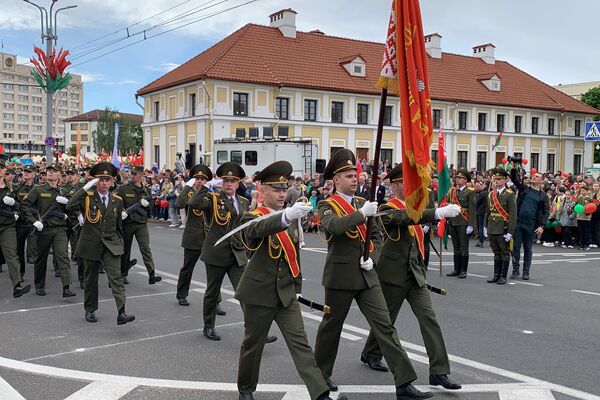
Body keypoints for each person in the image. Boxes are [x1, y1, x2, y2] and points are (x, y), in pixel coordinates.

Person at [313, 149, 433, 400]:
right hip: (340, 278)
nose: (354, 179)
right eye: (348, 175)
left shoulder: (361, 203)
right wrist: (361, 215)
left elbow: (377, 236)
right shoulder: (327, 204)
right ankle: (321, 374)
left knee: (385, 326)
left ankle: (404, 382)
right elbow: (333, 227)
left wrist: (373, 258)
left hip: (367, 276)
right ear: (335, 180)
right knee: (331, 327)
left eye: (355, 174)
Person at [236, 161, 340, 400]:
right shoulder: (252, 216)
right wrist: (284, 217)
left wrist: (297, 288)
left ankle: (320, 394)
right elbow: (253, 231)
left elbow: (294, 256)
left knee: (300, 344)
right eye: (276, 189)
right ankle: (246, 390)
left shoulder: (290, 216)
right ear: (263, 191)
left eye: (285, 189)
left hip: (285, 293)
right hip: (259, 293)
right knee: (253, 345)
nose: (282, 194)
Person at [360, 164, 461, 391]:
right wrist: (436, 214)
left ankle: (439, 371)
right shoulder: (387, 208)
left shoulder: (415, 206)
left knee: (429, 319)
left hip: (415, 275)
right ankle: (371, 352)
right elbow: (404, 219)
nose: (413, 186)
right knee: (386, 321)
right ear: (394, 185)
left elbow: (416, 219)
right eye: (407, 182)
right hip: (393, 275)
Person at [189, 162, 276, 342]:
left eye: (233, 181)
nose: (229, 184)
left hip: (237, 253)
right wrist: (206, 186)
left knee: (246, 292)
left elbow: (244, 227)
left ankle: (256, 330)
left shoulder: (243, 202)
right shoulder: (213, 199)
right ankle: (209, 326)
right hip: (216, 253)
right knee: (212, 293)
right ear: (221, 182)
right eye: (226, 180)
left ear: (238, 184)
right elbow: (193, 203)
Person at [66, 162, 135, 325]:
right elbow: (69, 206)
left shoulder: (117, 200)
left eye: (107, 180)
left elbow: (118, 226)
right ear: (96, 181)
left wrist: (120, 244)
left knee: (116, 278)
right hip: (91, 244)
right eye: (101, 180)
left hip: (111, 244)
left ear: (112, 182)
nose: (104, 183)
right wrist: (85, 188)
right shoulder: (88, 197)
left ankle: (121, 312)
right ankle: (90, 309)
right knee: (90, 279)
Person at [22, 163, 75, 298]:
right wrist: (34, 221)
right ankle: (39, 285)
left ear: (59, 174)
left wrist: (67, 205)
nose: (51, 173)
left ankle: (66, 287)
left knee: (63, 256)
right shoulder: (38, 189)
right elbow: (25, 206)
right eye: (49, 171)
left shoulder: (63, 191)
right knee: (41, 258)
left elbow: (72, 209)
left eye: (54, 171)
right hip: (43, 229)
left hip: (60, 229)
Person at [115, 166, 162, 285]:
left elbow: (151, 209)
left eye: (136, 174)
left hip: (141, 223)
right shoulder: (123, 189)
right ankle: (123, 273)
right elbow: (114, 202)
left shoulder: (146, 191)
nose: (133, 175)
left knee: (145, 248)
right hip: (128, 223)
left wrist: (147, 205)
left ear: (141, 175)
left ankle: (151, 274)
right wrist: (122, 211)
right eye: (132, 173)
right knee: (125, 250)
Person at [174, 164, 213, 306]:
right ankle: (182, 294)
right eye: (197, 178)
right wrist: (187, 187)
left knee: (213, 271)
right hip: (193, 238)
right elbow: (178, 203)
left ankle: (216, 300)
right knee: (188, 267)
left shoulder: (210, 195)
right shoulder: (189, 195)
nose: (200, 181)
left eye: (203, 179)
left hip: (208, 238)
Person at [509, 167, 549, 280]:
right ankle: (515, 270)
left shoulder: (543, 196)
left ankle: (526, 272)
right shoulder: (524, 189)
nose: (534, 177)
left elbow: (546, 212)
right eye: (533, 176)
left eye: (537, 177)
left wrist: (542, 226)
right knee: (515, 248)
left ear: (541, 181)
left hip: (531, 225)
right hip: (518, 223)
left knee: (528, 249)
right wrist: (513, 167)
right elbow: (514, 179)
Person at [484, 167, 517, 285]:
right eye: (494, 179)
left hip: (503, 227)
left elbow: (513, 215)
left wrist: (510, 232)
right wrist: (485, 226)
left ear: (505, 180)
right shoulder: (490, 195)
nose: (496, 181)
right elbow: (487, 212)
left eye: (499, 179)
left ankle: (503, 276)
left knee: (504, 252)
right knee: (496, 252)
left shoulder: (509, 195)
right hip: (492, 226)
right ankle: (496, 275)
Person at [0, 173, 31, 298]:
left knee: (12, 255)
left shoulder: (12, 188)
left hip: (7, 226)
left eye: (2, 168)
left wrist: (13, 204)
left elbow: (22, 206)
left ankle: (17, 285)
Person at [442, 169, 477, 279]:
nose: (458, 179)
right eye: (457, 177)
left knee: (463, 247)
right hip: (453, 221)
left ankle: (463, 270)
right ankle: (456, 269)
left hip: (463, 222)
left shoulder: (470, 192)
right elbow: (449, 205)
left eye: (460, 178)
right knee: (456, 247)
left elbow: (472, 209)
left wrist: (471, 225)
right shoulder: (452, 191)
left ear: (466, 180)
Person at [13, 165, 37, 279]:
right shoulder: (18, 188)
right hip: (21, 222)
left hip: (33, 222)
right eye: (25, 172)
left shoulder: (37, 188)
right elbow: (13, 203)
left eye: (29, 172)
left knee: (35, 249)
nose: (26, 174)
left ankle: (38, 275)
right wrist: (18, 210)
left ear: (34, 175)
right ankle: (20, 273)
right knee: (19, 249)